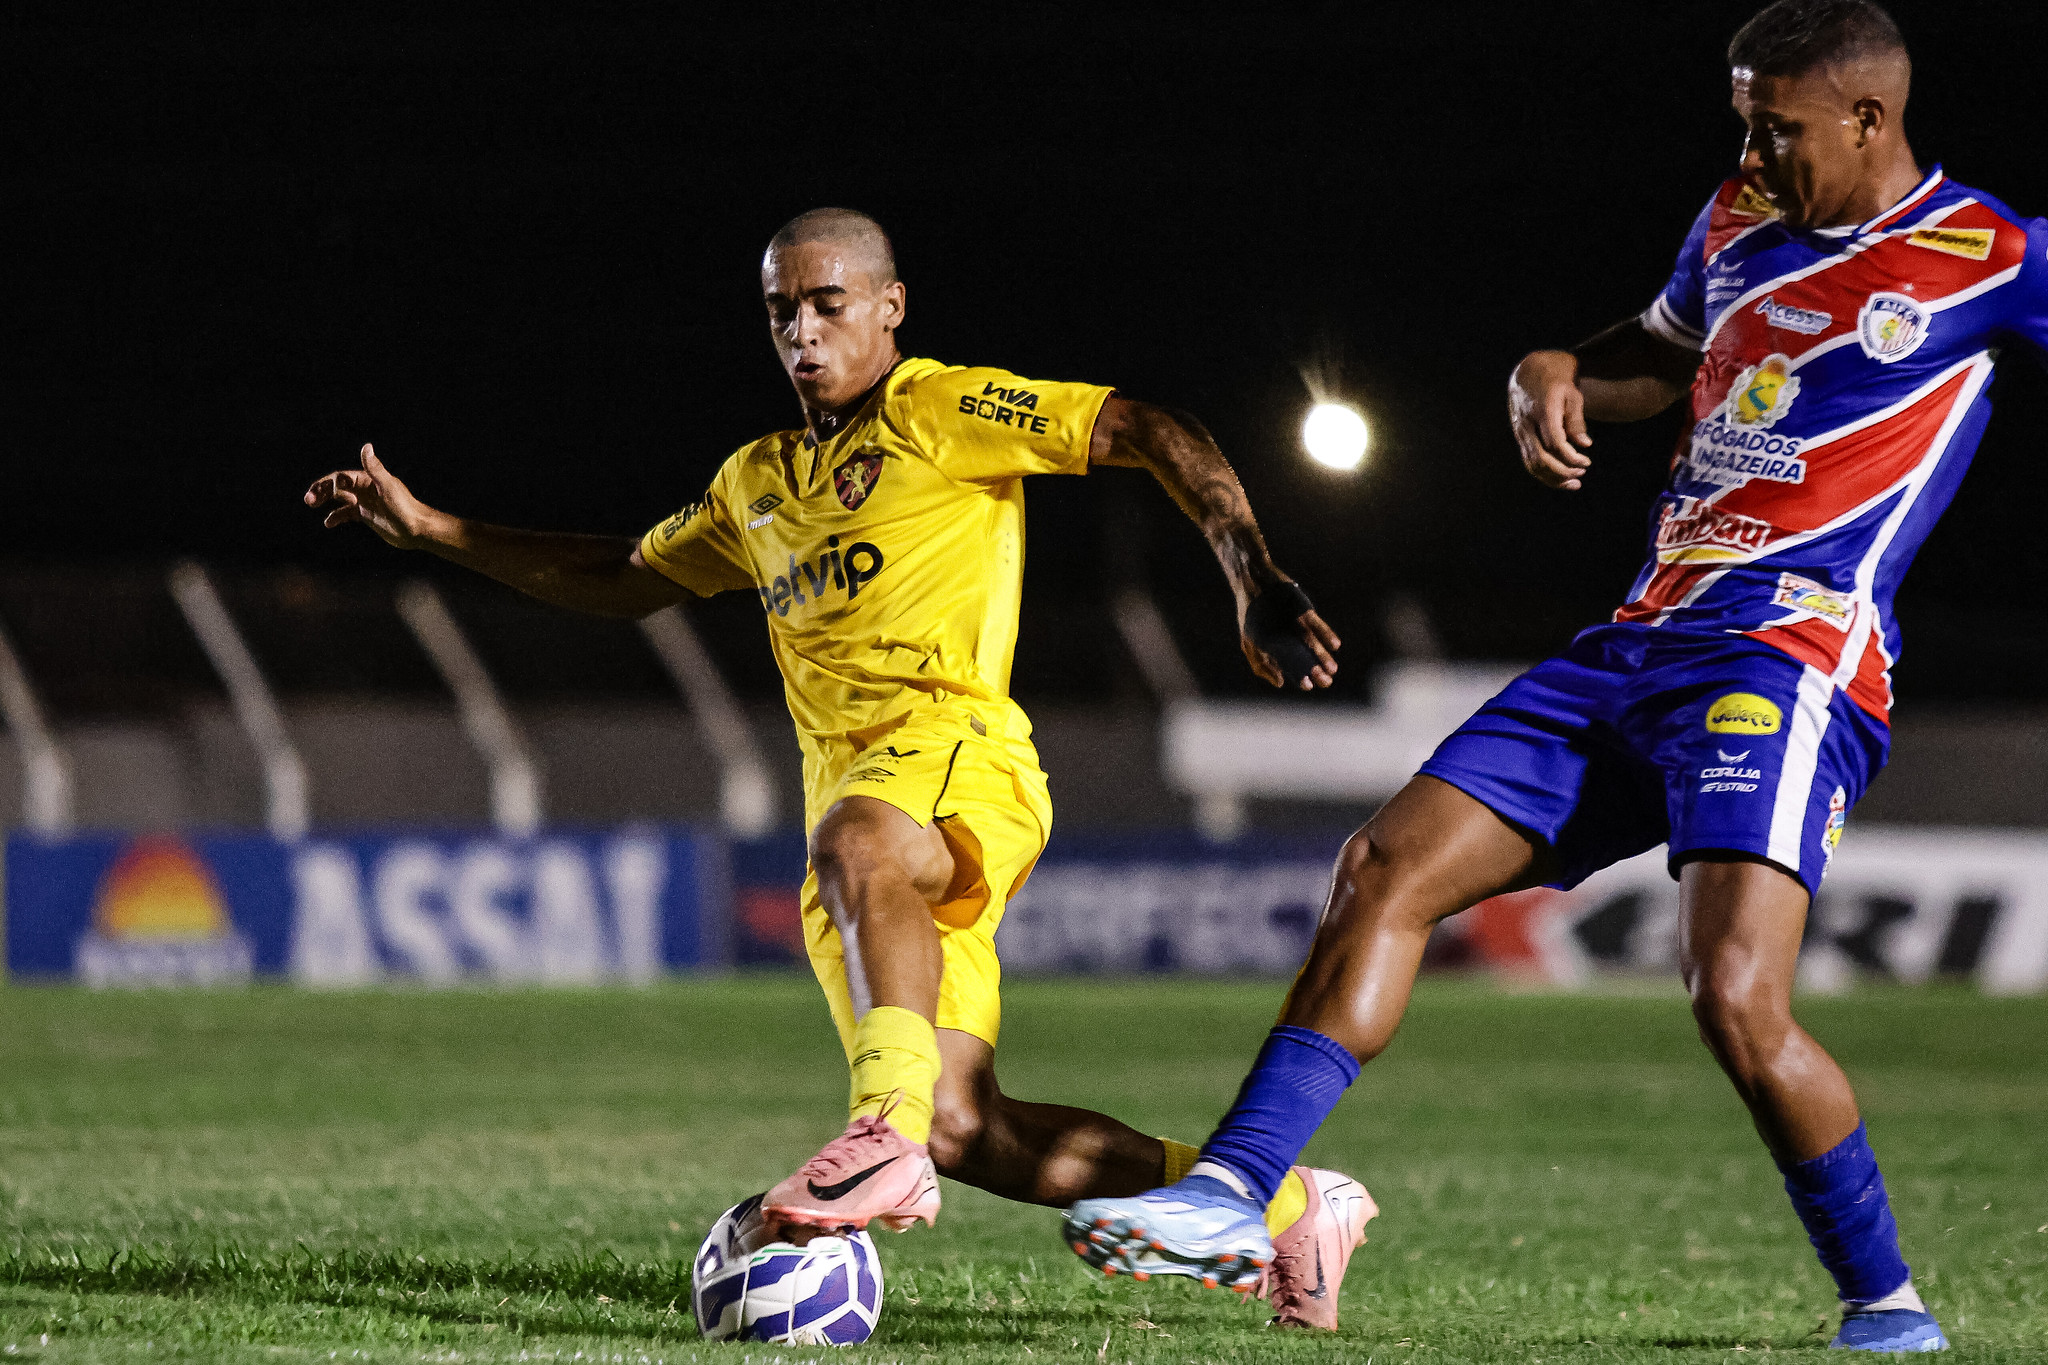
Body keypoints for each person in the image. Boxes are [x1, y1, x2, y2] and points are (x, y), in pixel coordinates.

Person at [1064, 0, 2048, 1350]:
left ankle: (1887, 1309)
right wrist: (1557, 370)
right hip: (1635, 640)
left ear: (1871, 118)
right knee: (1383, 866)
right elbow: (1660, 355)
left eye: (1779, 129)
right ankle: (1237, 1187)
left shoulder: (1990, 254)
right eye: (1743, 125)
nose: (1753, 156)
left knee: (1735, 1002)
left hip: (1789, 654)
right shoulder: (1735, 220)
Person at [306, 207, 1376, 1328]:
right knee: (963, 1124)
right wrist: (434, 530)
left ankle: (877, 1139)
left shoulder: (941, 409)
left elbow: (1152, 427)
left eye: (827, 305)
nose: (803, 333)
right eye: (781, 312)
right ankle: (1290, 1204)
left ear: (887, 308)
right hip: (859, 812)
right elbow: (624, 572)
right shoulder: (755, 483)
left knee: (861, 870)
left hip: (961, 756)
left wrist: (1248, 571)